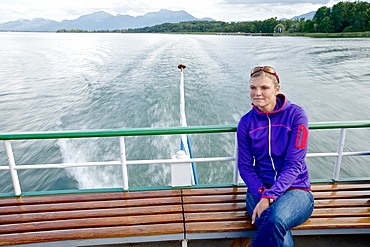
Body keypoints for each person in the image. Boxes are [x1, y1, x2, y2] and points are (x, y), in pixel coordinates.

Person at [235, 66, 314, 247]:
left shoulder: (296, 115)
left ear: (277, 89)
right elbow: (245, 166)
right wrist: (264, 193)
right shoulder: (246, 122)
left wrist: (271, 197)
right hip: (260, 189)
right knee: (281, 238)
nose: (257, 93)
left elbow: (294, 164)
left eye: (264, 88)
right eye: (253, 88)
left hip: (297, 191)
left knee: (275, 219)